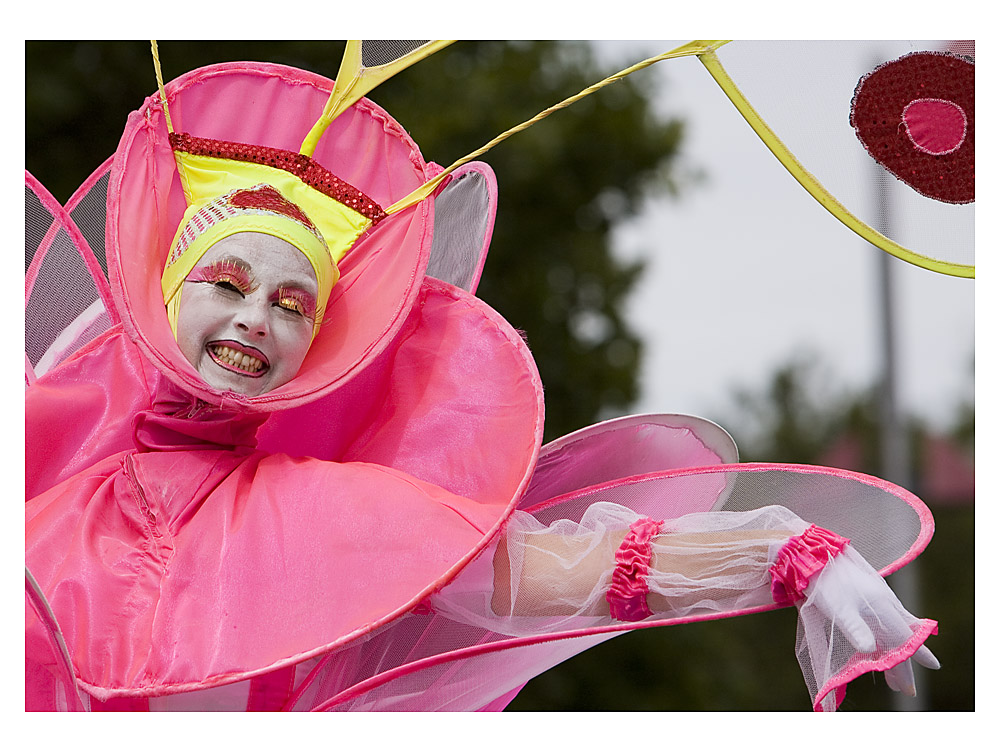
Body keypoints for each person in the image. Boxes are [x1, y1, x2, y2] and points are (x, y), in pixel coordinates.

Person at [25, 52, 937, 712]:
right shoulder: (38, 474)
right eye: (226, 286)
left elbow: (547, 574)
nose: (257, 318)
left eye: (292, 304)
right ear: (165, 290)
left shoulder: (333, 514)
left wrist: (781, 555)